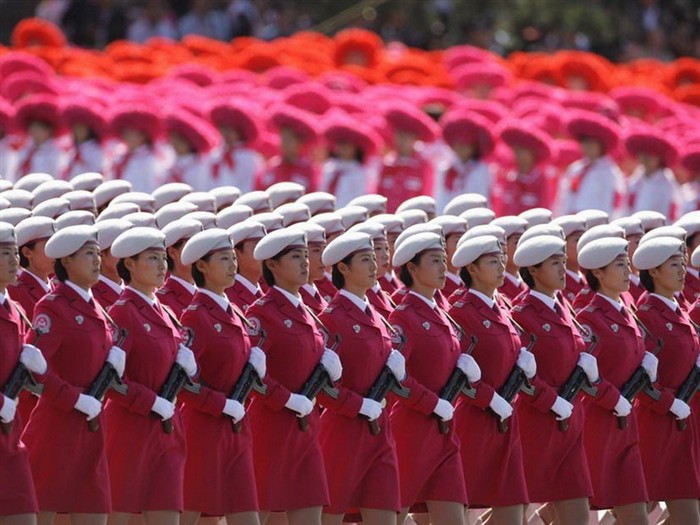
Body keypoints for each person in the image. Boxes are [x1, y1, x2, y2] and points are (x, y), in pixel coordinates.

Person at [22, 225, 125, 525]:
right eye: (88, 254)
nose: (97, 260)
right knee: (42, 513)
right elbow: (34, 368)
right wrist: (75, 400)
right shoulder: (53, 306)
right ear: (66, 260)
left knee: (93, 512)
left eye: (97, 253)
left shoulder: (96, 307)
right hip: (57, 427)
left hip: (92, 428)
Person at [245, 227, 341, 525]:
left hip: (306, 426)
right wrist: (288, 400)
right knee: (256, 515)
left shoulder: (308, 312)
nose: (305, 263)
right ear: (272, 265)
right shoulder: (261, 312)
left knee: (309, 509)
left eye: (305, 256)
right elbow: (254, 378)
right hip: (272, 427)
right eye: (296, 257)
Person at [105, 227, 197, 525]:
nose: (162, 266)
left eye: (162, 258)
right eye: (152, 258)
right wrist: (149, 402)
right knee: (121, 514)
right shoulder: (122, 312)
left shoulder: (166, 312)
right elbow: (111, 381)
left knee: (166, 512)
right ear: (129, 264)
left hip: (167, 428)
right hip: (131, 428)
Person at [179, 229, 264, 525]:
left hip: (236, 429)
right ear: (202, 266)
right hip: (203, 430)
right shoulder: (194, 316)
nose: (233, 266)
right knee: (189, 515)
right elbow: (185, 385)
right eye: (224, 259)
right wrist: (220, 405)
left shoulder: (235, 313)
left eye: (233, 258)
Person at [317, 231, 403, 525]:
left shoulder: (377, 315)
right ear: (343, 267)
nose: (374, 265)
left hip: (380, 432)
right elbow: (323, 389)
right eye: (365, 259)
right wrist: (358, 406)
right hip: (344, 432)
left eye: (373, 258)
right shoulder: (331, 317)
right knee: (331, 517)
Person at [388, 232, 473, 525]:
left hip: (445, 431)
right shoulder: (404, 317)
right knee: (394, 516)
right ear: (412, 268)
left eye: (442, 260)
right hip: (413, 430)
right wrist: (431, 404)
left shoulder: (443, 311)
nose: (442, 268)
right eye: (434, 261)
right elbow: (397, 380)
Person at [510, 236, 596, 525]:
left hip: (570, 426)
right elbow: (520, 377)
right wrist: (552, 401)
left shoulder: (564, 308)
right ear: (534, 270)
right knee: (513, 513)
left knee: (577, 515)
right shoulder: (521, 314)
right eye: (554, 263)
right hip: (537, 424)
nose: (563, 269)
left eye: (562, 261)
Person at [447, 235, 533, 525]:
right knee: (463, 512)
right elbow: (457, 374)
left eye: (501, 259)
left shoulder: (504, 306)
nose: (501, 266)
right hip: (476, 421)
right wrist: (490, 398)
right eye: (492, 261)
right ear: (472, 268)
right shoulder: (460, 311)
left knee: (514, 510)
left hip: (509, 421)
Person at [575, 238, 652, 524]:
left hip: (627, 427)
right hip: (600, 426)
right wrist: (613, 399)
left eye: (627, 264)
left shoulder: (626, 312)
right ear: (599, 273)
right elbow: (585, 378)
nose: (628, 272)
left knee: (634, 513)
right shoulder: (589, 317)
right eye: (620, 265)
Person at [632, 237, 700, 525]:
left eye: (682, 263)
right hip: (659, 424)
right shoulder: (647, 314)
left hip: (684, 424)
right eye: (674, 264)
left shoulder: (677, 309)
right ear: (655, 272)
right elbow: (640, 380)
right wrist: (671, 405)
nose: (682, 270)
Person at [0, 221, 43, 524]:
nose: (15, 261)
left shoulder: (15, 309)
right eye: (5, 253)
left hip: (11, 434)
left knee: (24, 514)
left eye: (16, 253)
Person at [436, 109, 495, 211]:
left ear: (474, 146)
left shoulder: (481, 171)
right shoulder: (446, 168)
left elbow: (484, 199)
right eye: (457, 143)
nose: (460, 148)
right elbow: (440, 197)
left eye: (465, 144)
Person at [225, 221, 266, 312]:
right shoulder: (228, 296)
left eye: (264, 247)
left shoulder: (264, 293)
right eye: (257, 247)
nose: (264, 254)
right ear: (236, 254)